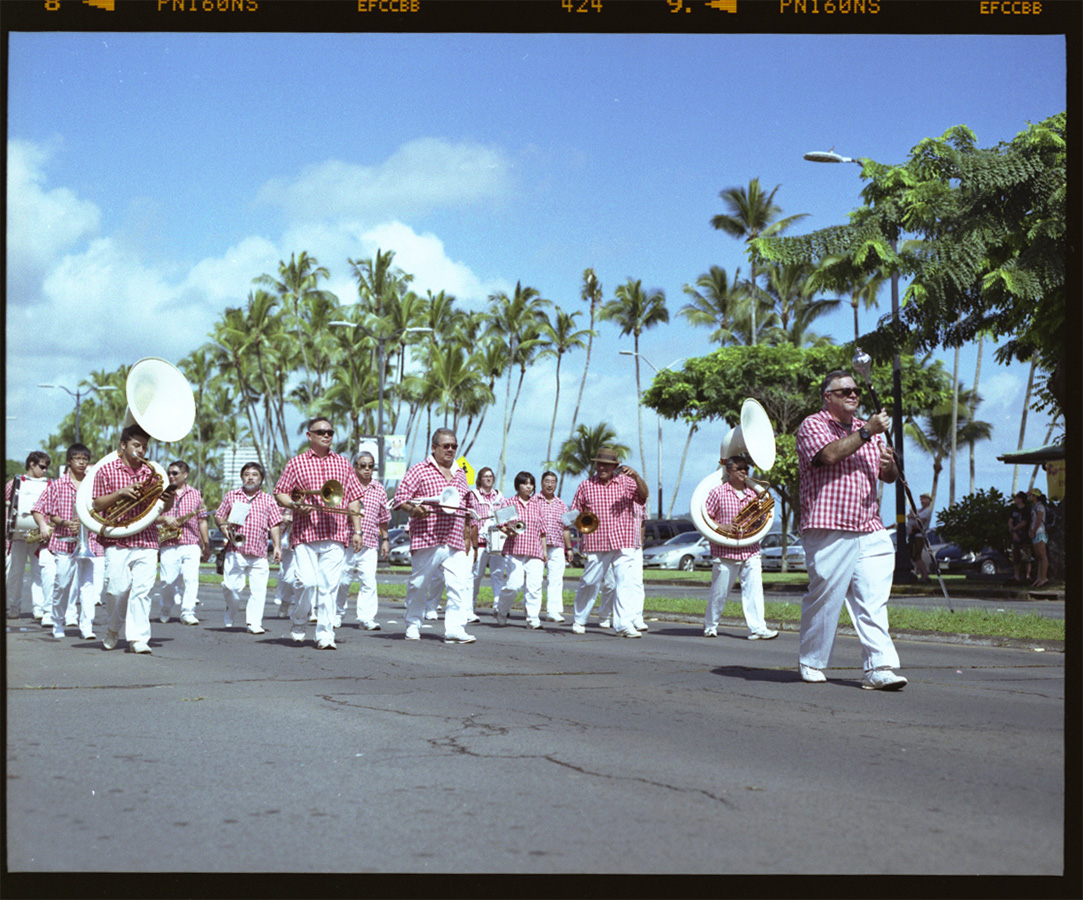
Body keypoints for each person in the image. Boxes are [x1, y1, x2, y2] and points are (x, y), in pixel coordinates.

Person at [795, 370, 907, 690]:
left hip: (870, 525)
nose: (853, 395)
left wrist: (889, 464)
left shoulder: (866, 429)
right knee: (825, 598)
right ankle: (812, 660)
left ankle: (879, 667)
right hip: (829, 525)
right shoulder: (813, 425)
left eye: (855, 390)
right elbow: (829, 455)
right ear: (827, 397)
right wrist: (868, 431)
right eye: (844, 391)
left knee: (872, 600)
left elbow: (889, 476)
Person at [273, 417, 364, 650]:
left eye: (330, 432)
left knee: (328, 586)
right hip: (305, 534)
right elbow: (280, 492)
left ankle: (325, 634)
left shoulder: (343, 463)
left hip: (335, 533)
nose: (326, 435)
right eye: (321, 432)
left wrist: (357, 530)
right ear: (309, 435)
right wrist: (294, 505)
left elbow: (353, 498)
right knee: (307, 582)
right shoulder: (296, 463)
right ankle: (299, 618)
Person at [392, 428, 479, 643]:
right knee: (419, 584)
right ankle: (413, 623)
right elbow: (400, 498)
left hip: (454, 539)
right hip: (427, 538)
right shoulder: (419, 470)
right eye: (445, 446)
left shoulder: (460, 474)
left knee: (458, 584)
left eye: (454, 446)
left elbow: (466, 506)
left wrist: (468, 535)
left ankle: (455, 628)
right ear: (434, 447)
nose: (450, 450)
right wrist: (413, 510)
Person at [92, 424, 168, 655]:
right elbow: (97, 504)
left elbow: (163, 507)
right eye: (136, 445)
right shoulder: (106, 470)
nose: (141, 450)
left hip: (147, 539)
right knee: (116, 591)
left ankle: (138, 638)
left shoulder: (151, 472)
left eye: (144, 446)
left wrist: (169, 498)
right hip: (118, 539)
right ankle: (113, 628)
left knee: (142, 592)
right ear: (123, 445)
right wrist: (121, 493)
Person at [568, 447, 649, 639]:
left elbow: (643, 496)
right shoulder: (585, 485)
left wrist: (637, 477)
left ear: (615, 467)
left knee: (625, 583)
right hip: (597, 541)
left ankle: (623, 624)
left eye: (606, 465)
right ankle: (580, 619)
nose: (602, 468)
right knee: (589, 581)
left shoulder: (627, 482)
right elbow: (574, 511)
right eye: (599, 464)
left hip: (623, 540)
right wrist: (574, 522)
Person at [31, 444, 104, 640]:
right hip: (65, 542)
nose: (82, 463)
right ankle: (57, 621)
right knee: (62, 584)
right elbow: (40, 509)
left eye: (85, 459)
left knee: (87, 585)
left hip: (89, 541)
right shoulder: (57, 485)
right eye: (78, 459)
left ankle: (86, 626)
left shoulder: (93, 484)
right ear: (69, 461)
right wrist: (63, 523)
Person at [702, 454, 778, 640]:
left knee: (754, 591)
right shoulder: (717, 492)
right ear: (729, 471)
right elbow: (706, 518)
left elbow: (761, 522)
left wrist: (760, 515)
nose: (744, 471)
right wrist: (723, 527)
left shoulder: (754, 494)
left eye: (746, 468)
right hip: (725, 549)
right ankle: (711, 626)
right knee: (719, 592)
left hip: (750, 549)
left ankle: (758, 628)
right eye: (739, 468)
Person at [215, 462, 283, 633]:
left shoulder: (268, 500)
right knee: (231, 588)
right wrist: (223, 528)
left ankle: (254, 623)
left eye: (254, 474)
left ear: (261, 479)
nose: (250, 478)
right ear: (242, 477)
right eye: (247, 474)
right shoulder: (232, 496)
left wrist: (277, 546)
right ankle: (231, 608)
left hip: (259, 553)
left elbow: (275, 525)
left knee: (258, 591)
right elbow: (219, 516)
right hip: (235, 551)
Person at [335, 452, 391, 631]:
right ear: (355, 467)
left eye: (371, 466)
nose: (367, 469)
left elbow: (383, 517)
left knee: (368, 580)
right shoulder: (346, 486)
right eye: (363, 466)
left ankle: (367, 618)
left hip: (370, 542)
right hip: (347, 540)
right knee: (343, 580)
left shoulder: (378, 488)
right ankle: (336, 614)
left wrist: (385, 539)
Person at [156, 460, 211, 625]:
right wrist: (165, 519)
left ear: (185, 475)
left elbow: (202, 520)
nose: (171, 476)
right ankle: (166, 607)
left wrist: (206, 544)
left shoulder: (196, 495)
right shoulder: (161, 494)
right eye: (169, 473)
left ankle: (188, 612)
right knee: (167, 581)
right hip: (169, 543)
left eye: (175, 473)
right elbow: (152, 517)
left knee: (191, 579)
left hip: (191, 543)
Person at [5, 451, 55, 622]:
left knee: (38, 573)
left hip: (39, 537)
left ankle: (38, 609)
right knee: (15, 574)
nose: (45, 470)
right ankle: (13, 608)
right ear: (31, 464)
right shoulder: (15, 483)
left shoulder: (49, 484)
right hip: (18, 537)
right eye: (42, 466)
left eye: (46, 467)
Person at [494, 471, 546, 629]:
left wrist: (544, 552)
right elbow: (501, 524)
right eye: (525, 483)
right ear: (518, 486)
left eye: (531, 484)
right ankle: (501, 610)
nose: (528, 487)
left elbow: (542, 531)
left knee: (534, 587)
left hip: (535, 551)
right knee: (514, 585)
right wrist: (508, 532)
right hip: (514, 550)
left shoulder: (537, 505)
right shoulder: (510, 503)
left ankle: (533, 618)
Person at [533, 470, 573, 623]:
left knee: (556, 579)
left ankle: (553, 611)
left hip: (557, 545)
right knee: (535, 580)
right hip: (537, 545)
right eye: (547, 481)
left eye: (553, 482)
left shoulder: (561, 504)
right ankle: (532, 611)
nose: (550, 485)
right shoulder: (534, 500)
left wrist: (569, 548)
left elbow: (565, 528)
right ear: (541, 483)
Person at [469, 466, 505, 617]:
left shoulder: (499, 497)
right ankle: (471, 604)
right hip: (480, 541)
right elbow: (471, 519)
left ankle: (498, 605)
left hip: (496, 541)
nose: (488, 479)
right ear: (480, 479)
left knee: (497, 574)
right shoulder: (474, 495)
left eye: (490, 476)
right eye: (485, 476)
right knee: (476, 574)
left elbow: (504, 517)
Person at [906, 492, 933, 582]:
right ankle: (923, 575)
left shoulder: (927, 511)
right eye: (922, 499)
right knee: (914, 556)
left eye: (925, 499)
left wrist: (912, 518)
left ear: (928, 501)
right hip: (913, 535)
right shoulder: (919, 510)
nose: (922, 501)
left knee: (917, 556)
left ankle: (925, 575)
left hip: (919, 535)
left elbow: (922, 522)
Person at [1008, 491, 1032, 583]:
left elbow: (1024, 522)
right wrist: (1013, 531)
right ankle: (1016, 576)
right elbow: (1010, 521)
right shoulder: (1014, 509)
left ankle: (1028, 576)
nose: (1015, 500)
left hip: (1025, 536)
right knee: (1016, 557)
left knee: (1026, 557)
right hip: (1015, 536)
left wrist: (1015, 529)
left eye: (1016, 498)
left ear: (1021, 499)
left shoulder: (1026, 509)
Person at [1028, 488, 1049, 588]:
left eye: (1031, 495)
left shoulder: (1040, 507)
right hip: (1035, 532)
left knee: (1042, 555)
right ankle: (1039, 577)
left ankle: (1044, 578)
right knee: (1038, 557)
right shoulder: (1034, 507)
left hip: (1039, 532)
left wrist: (1033, 530)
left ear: (1035, 496)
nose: (1029, 497)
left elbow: (1039, 520)